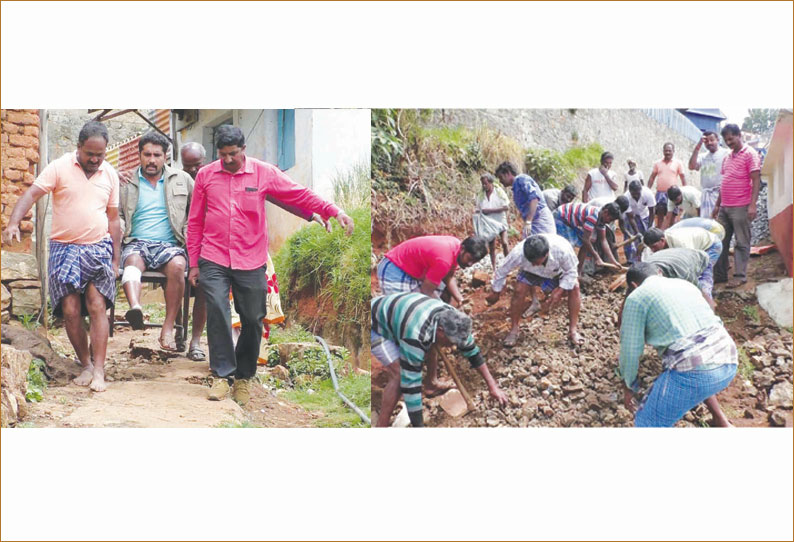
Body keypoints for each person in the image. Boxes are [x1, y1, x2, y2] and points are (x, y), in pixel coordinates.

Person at [186, 125, 354, 405]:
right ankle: (221, 375)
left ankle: (243, 377)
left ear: (244, 150)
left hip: (250, 258)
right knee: (217, 310)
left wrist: (334, 211)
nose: (227, 160)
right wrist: (194, 263)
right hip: (213, 256)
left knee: (253, 318)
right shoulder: (206, 175)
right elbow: (195, 222)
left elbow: (298, 194)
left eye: (233, 154)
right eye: (223, 154)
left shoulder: (263, 172)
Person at [175, 142, 330, 360]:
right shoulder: (192, 181)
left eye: (197, 165)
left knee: (249, 310)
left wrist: (310, 214)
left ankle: (244, 361)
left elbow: (281, 196)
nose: (193, 170)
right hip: (211, 252)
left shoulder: (236, 175)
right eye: (188, 166)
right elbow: (191, 221)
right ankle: (202, 346)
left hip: (248, 252)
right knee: (214, 303)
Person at [2, 121, 120, 392]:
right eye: (89, 153)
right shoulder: (59, 167)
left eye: (99, 155)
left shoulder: (109, 173)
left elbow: (114, 220)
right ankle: (86, 365)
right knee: (70, 311)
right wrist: (13, 223)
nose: (94, 159)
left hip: (98, 248)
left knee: (97, 305)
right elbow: (31, 194)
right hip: (64, 248)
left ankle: (100, 370)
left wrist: (115, 259)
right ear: (78, 147)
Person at [618, 263, 736, 427]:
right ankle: (723, 423)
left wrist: (629, 386)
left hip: (698, 371)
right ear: (659, 273)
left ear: (633, 285)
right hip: (728, 358)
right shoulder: (684, 284)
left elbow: (630, 349)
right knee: (693, 361)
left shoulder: (636, 297)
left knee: (646, 422)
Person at [371, 292, 507, 427]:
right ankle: (381, 425)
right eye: (452, 341)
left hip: (401, 315)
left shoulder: (454, 318)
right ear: (441, 330)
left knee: (430, 344)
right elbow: (411, 386)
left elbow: (472, 352)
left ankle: (431, 384)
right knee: (400, 375)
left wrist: (493, 387)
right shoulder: (415, 335)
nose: (453, 346)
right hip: (373, 323)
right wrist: (419, 425)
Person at [117, 132, 194, 351]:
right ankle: (136, 308)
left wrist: (189, 236)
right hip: (136, 241)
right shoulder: (125, 181)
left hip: (170, 244)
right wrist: (119, 231)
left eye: (157, 155)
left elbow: (194, 213)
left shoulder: (182, 179)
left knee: (178, 266)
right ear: (139, 155)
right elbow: (118, 214)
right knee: (131, 263)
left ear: (165, 156)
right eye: (147, 154)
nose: (152, 160)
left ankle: (168, 328)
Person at [486, 234, 583, 347]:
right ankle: (514, 330)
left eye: (536, 261)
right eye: (530, 260)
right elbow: (502, 270)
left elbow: (572, 272)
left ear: (546, 254)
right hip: (530, 272)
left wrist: (560, 290)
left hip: (555, 273)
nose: (533, 263)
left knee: (575, 287)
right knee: (519, 290)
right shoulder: (519, 252)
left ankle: (573, 331)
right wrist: (496, 291)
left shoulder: (562, 249)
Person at [712, 124, 762, 288]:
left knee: (741, 242)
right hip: (725, 207)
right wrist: (718, 205)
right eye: (726, 140)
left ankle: (740, 275)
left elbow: (756, 180)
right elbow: (724, 182)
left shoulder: (750, 154)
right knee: (720, 241)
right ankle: (720, 275)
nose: (729, 142)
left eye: (731, 139)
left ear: (739, 135)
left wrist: (752, 205)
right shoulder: (727, 157)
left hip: (741, 206)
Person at [376, 235, 487, 306]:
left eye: (474, 262)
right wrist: (445, 310)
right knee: (403, 308)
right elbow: (426, 291)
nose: (470, 264)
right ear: (462, 248)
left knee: (442, 294)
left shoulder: (456, 248)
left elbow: (449, 277)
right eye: (469, 259)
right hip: (393, 269)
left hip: (411, 270)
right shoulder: (444, 259)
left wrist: (460, 300)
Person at [643, 227, 722, 304]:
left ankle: (707, 305)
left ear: (662, 240)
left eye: (654, 247)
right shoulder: (653, 248)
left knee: (702, 277)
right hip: (695, 245)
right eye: (650, 248)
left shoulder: (681, 243)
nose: (652, 250)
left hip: (711, 245)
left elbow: (691, 265)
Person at [553, 201, 624, 273]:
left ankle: (578, 273)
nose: (609, 222)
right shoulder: (594, 216)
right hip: (560, 217)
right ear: (606, 212)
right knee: (568, 246)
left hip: (569, 221)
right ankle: (560, 271)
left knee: (585, 245)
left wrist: (614, 261)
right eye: (610, 219)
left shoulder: (601, 219)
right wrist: (597, 258)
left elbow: (603, 240)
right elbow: (585, 239)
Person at [494, 161, 555, 237]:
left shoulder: (521, 179)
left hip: (540, 219)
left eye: (501, 177)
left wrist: (529, 221)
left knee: (544, 244)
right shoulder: (516, 186)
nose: (500, 181)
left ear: (508, 173)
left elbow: (534, 198)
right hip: (534, 220)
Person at [473, 173, 510, 272]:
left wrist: (490, 210)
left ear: (491, 182)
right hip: (489, 222)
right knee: (492, 246)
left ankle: (508, 265)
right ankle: (494, 268)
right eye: (482, 184)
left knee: (505, 243)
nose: (484, 186)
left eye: (486, 183)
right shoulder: (481, 195)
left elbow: (506, 207)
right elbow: (478, 208)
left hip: (500, 220)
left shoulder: (499, 192)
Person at [688, 131, 729, 218]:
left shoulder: (726, 154)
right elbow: (691, 166)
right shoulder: (703, 156)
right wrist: (698, 147)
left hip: (720, 195)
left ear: (717, 140)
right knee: (707, 223)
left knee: (719, 221)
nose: (709, 143)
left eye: (712, 140)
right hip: (706, 195)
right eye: (706, 141)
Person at [648, 142, 687, 227]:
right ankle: (659, 235)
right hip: (660, 194)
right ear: (663, 151)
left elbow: (683, 177)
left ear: (673, 151)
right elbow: (652, 177)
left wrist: (685, 190)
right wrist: (647, 190)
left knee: (672, 216)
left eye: (669, 151)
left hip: (673, 194)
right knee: (660, 216)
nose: (667, 152)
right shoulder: (657, 163)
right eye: (666, 150)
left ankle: (671, 235)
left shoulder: (678, 163)